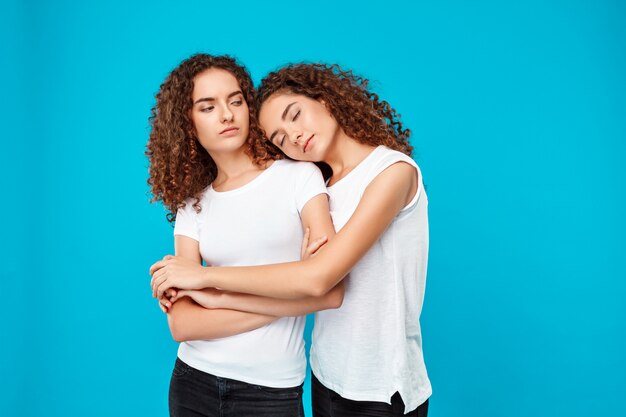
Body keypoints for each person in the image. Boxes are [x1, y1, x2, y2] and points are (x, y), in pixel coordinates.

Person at [151, 63, 432, 417]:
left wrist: (207, 283)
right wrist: (288, 293)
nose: (294, 136)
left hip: (381, 383)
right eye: (280, 138)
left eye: (295, 115)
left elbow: (321, 283)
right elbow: (184, 323)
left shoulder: (388, 173)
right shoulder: (326, 184)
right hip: (325, 374)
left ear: (325, 99)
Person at [146, 54, 341, 417]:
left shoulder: (300, 177)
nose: (227, 114)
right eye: (208, 107)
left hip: (271, 391)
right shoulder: (193, 205)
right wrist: (290, 293)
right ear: (187, 124)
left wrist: (213, 294)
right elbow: (184, 323)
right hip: (193, 383)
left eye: (235, 101)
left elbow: (327, 290)